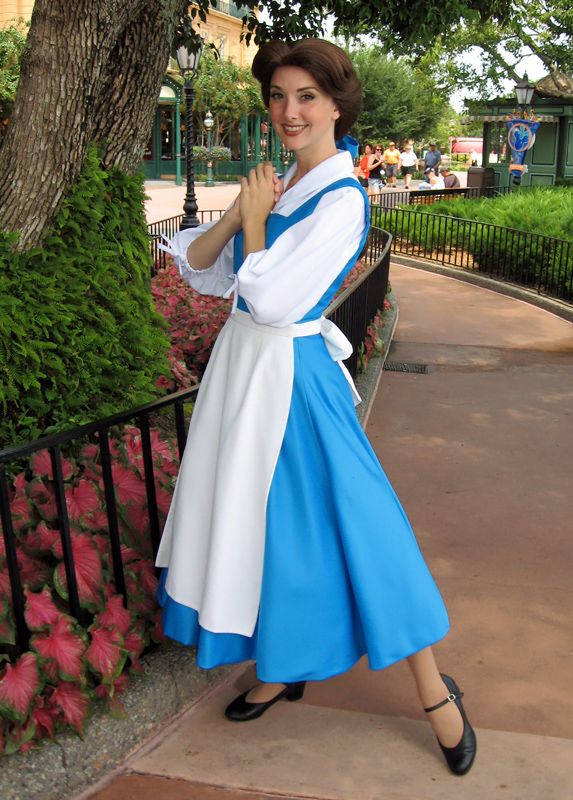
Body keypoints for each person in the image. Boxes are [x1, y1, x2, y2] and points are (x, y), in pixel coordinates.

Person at [156, 38, 476, 777]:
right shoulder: (284, 184)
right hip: (244, 374)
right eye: (278, 96)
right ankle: (282, 664)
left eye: (306, 96)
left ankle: (435, 693)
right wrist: (242, 213)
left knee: (362, 526)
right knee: (264, 529)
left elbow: (268, 298)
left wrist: (258, 220)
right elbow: (200, 267)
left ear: (337, 104)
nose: (290, 110)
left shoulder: (342, 198)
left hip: (293, 377)